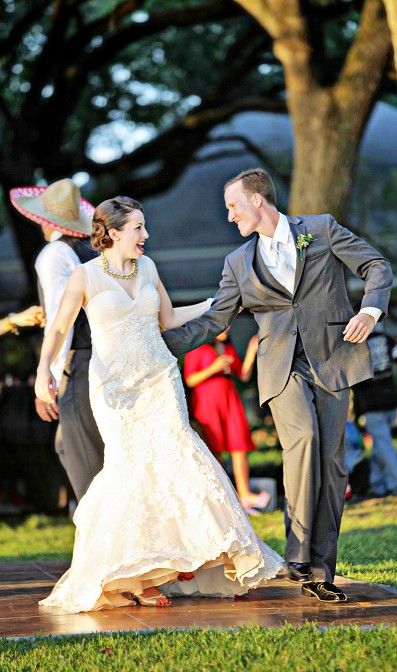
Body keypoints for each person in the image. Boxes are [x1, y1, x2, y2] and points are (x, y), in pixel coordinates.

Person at [34, 196, 283, 613]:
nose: (146, 235)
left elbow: (166, 318)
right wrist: (45, 372)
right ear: (112, 233)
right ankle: (138, 576)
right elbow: (58, 328)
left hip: (159, 379)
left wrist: (216, 305)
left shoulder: (147, 267)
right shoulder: (84, 277)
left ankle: (203, 558)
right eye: (138, 228)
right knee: (131, 470)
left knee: (180, 457)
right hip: (115, 389)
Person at [161, 168, 392, 603]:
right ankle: (298, 553)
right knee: (302, 439)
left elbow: (376, 266)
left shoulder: (320, 230)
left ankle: (320, 571)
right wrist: (158, 344)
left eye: (233, 206)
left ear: (257, 201)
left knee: (332, 463)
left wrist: (370, 312)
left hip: (333, 359)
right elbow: (215, 320)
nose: (229, 216)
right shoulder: (237, 263)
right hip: (280, 368)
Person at [10, 178, 105, 502]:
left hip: (79, 360)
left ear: (41, 219)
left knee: (85, 459)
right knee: (67, 444)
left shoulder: (54, 254)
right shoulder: (91, 250)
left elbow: (59, 321)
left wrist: (47, 374)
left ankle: (104, 540)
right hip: (103, 355)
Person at [184, 328, 271, 513]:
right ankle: (224, 498)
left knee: (238, 444)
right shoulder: (197, 348)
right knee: (215, 449)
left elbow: (244, 374)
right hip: (208, 401)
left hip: (230, 399)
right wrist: (213, 368)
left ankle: (245, 495)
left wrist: (251, 351)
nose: (227, 328)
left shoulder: (228, 348)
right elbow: (190, 379)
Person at [352, 330, 397, 497]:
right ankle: (377, 486)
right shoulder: (387, 339)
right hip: (390, 399)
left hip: (371, 404)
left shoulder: (353, 343)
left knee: (383, 445)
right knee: (380, 444)